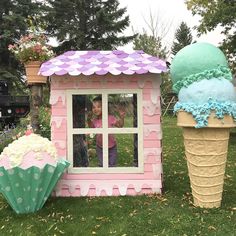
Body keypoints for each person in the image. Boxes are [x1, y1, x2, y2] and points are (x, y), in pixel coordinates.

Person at [87, 96, 125, 167]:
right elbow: (91, 128)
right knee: (102, 165)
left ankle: (111, 176)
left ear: (104, 107)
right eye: (93, 107)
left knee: (112, 165)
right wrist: (88, 120)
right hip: (100, 147)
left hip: (112, 146)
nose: (96, 109)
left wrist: (122, 117)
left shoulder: (110, 118)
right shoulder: (95, 121)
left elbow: (120, 125)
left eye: (98, 107)